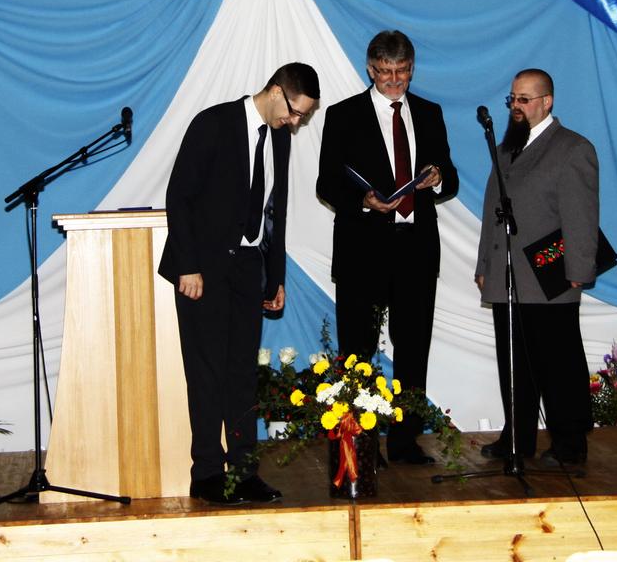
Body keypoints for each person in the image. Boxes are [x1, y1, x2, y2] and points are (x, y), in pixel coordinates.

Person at [160, 62, 320, 504]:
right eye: (294, 112)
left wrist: (276, 277)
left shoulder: (280, 139)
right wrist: (188, 266)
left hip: (249, 266)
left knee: (242, 374)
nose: (295, 122)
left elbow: (275, 210)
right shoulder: (214, 123)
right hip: (203, 269)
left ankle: (245, 471)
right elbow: (179, 197)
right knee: (206, 373)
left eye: (303, 116)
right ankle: (207, 473)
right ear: (275, 91)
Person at [316, 30, 457, 464]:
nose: (394, 80)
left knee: (414, 350)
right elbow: (326, 183)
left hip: (416, 249)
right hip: (363, 250)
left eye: (402, 71)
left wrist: (438, 178)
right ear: (369, 69)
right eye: (384, 72)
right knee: (357, 351)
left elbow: (451, 178)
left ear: (412, 68)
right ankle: (358, 443)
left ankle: (405, 441)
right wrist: (364, 200)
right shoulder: (343, 115)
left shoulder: (430, 113)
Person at [476, 68, 599, 470]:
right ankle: (518, 437)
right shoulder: (506, 149)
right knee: (514, 364)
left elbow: (581, 216)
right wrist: (485, 263)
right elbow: (492, 211)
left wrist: (579, 269)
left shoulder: (572, 148)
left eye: (524, 99)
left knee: (559, 364)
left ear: (547, 102)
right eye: (512, 98)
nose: (516, 106)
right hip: (508, 276)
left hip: (551, 276)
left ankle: (570, 443)